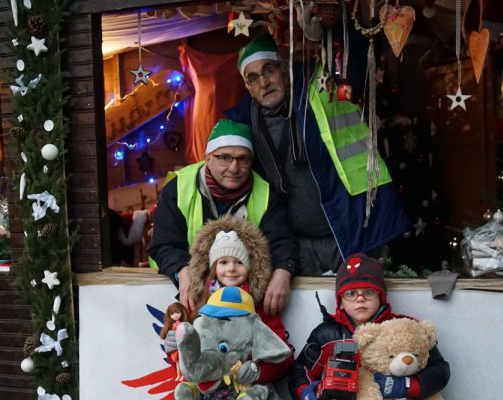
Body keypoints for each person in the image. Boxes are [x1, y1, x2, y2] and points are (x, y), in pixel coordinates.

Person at [225, 31, 410, 276]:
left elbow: (355, 64)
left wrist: (332, 25)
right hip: (295, 243)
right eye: (253, 78)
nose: (264, 83)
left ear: (284, 68)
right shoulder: (241, 123)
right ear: (247, 87)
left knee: (362, 306)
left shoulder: (320, 84)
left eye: (269, 70)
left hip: (351, 226)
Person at [149, 119, 297, 316]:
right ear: (208, 157)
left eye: (243, 159)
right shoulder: (178, 188)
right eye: (224, 157)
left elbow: (282, 242)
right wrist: (182, 272)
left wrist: (283, 271)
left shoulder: (266, 193)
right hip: (183, 295)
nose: (234, 168)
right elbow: (163, 244)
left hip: (242, 300)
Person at [288, 254, 450, 400]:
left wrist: (407, 386)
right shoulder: (326, 334)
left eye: (369, 292)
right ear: (341, 302)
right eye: (351, 294)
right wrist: (305, 392)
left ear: (381, 296)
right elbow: (301, 370)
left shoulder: (405, 327)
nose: (360, 299)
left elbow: (440, 369)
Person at [184, 215, 294, 385]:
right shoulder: (201, 303)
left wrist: (259, 370)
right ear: (214, 267)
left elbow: (284, 356)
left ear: (250, 267)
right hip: (209, 390)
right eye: (223, 262)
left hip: (246, 389)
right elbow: (187, 354)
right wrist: (174, 348)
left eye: (239, 262)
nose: (231, 269)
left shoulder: (259, 305)